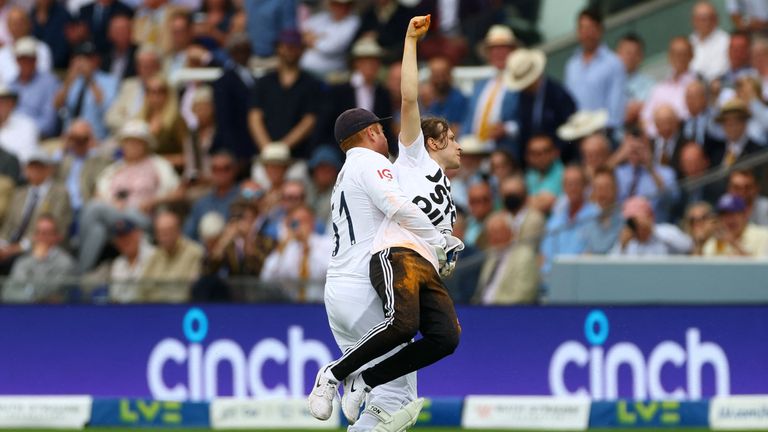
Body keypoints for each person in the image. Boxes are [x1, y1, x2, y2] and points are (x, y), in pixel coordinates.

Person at [308, 15, 453, 432]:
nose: (388, 137)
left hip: (340, 289)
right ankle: (336, 375)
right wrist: (439, 240)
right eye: (382, 131)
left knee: (386, 406)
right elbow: (399, 207)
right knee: (399, 405)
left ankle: (351, 380)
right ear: (372, 133)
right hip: (368, 285)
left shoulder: (344, 175)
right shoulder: (373, 162)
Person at [248, 29, 322, 160]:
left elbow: (309, 120)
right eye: (286, 46)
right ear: (278, 48)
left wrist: (283, 147)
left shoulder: (312, 84)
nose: (289, 50)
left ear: (301, 50)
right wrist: (267, 148)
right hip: (264, 156)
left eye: (294, 46)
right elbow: (254, 116)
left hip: (298, 157)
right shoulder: (263, 82)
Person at [505, 48, 576, 163]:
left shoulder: (556, 93)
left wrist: (557, 149)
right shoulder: (522, 96)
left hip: (558, 157)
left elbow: (572, 124)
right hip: (532, 158)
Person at [564, 8, 626, 131]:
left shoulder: (613, 63)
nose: (586, 34)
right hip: (575, 132)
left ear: (599, 30)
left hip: (603, 133)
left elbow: (616, 109)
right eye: (582, 28)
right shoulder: (571, 65)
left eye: (590, 28)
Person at [461, 25, 519, 154]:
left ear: (513, 52)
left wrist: (507, 129)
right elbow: (469, 120)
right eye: (494, 49)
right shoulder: (480, 86)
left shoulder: (520, 82)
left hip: (504, 151)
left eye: (503, 48)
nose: (498, 53)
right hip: (474, 152)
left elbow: (525, 119)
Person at [260, 205, 331, 302]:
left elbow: (330, 273)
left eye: (303, 221)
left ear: (312, 223)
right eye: (295, 223)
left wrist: (309, 251)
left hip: (321, 304)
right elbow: (266, 278)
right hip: (292, 306)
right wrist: (281, 248)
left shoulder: (327, 243)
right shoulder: (288, 247)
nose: (299, 226)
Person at [540, 165, 599, 274]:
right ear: (563, 187)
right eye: (568, 184)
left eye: (577, 183)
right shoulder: (555, 220)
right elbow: (545, 257)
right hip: (553, 280)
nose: (572, 188)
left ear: (585, 186)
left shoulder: (596, 216)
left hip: (583, 279)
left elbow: (593, 254)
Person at [2, 215, 76, 302]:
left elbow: (48, 293)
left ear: (57, 237)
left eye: (46, 233)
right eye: (38, 233)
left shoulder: (66, 263)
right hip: (20, 311)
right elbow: (8, 292)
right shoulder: (22, 261)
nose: (41, 237)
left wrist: (38, 260)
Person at [473, 211, 537, 305]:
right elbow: (481, 291)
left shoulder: (525, 256)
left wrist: (495, 308)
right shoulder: (492, 256)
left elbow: (524, 294)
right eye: (490, 233)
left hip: (507, 311)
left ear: (512, 232)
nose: (494, 237)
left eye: (498, 232)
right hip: (482, 309)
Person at [140, 209, 204, 302]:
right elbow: (142, 289)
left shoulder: (195, 253)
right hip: (154, 310)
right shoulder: (154, 255)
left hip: (182, 310)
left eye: (168, 231)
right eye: (160, 233)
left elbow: (189, 291)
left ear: (178, 231)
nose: (164, 237)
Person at [641, 37, 696, 137]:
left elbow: (688, 117)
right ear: (669, 57)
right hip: (656, 141)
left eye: (683, 54)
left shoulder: (696, 84)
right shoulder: (658, 88)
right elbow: (645, 118)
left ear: (692, 55)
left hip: (683, 138)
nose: (679, 58)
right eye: (675, 54)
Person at [9, 37, 59, 138]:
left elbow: (49, 123)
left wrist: (24, 131)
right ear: (16, 60)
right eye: (22, 59)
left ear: (36, 60)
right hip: (11, 135)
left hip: (38, 136)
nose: (26, 63)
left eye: (30, 59)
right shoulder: (11, 85)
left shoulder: (49, 83)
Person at [610, 195, 693, 256]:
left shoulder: (665, 231)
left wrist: (652, 230)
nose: (635, 224)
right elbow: (609, 266)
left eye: (636, 219)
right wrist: (622, 246)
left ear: (649, 216)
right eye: (631, 220)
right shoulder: (627, 241)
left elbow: (688, 246)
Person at [702, 193, 768, 256]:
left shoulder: (763, 236)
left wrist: (734, 243)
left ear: (745, 214)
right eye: (724, 215)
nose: (729, 220)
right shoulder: (713, 242)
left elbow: (761, 266)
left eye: (733, 214)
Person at [616, 33, 655, 127]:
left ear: (641, 56)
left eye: (634, 53)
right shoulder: (607, 83)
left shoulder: (650, 84)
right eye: (627, 53)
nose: (630, 57)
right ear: (616, 54)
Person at [421, 55, 467, 133]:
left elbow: (456, 130)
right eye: (436, 75)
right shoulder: (423, 97)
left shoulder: (459, 99)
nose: (440, 79)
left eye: (443, 74)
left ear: (450, 75)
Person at [583, 167, 624, 254]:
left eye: (606, 187)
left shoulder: (625, 219)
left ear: (616, 189)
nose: (602, 193)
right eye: (598, 188)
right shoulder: (586, 221)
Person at [690, 1, 730, 82]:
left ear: (716, 19)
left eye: (710, 18)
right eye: (702, 19)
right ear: (694, 21)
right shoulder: (690, 41)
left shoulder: (725, 40)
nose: (706, 22)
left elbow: (721, 69)